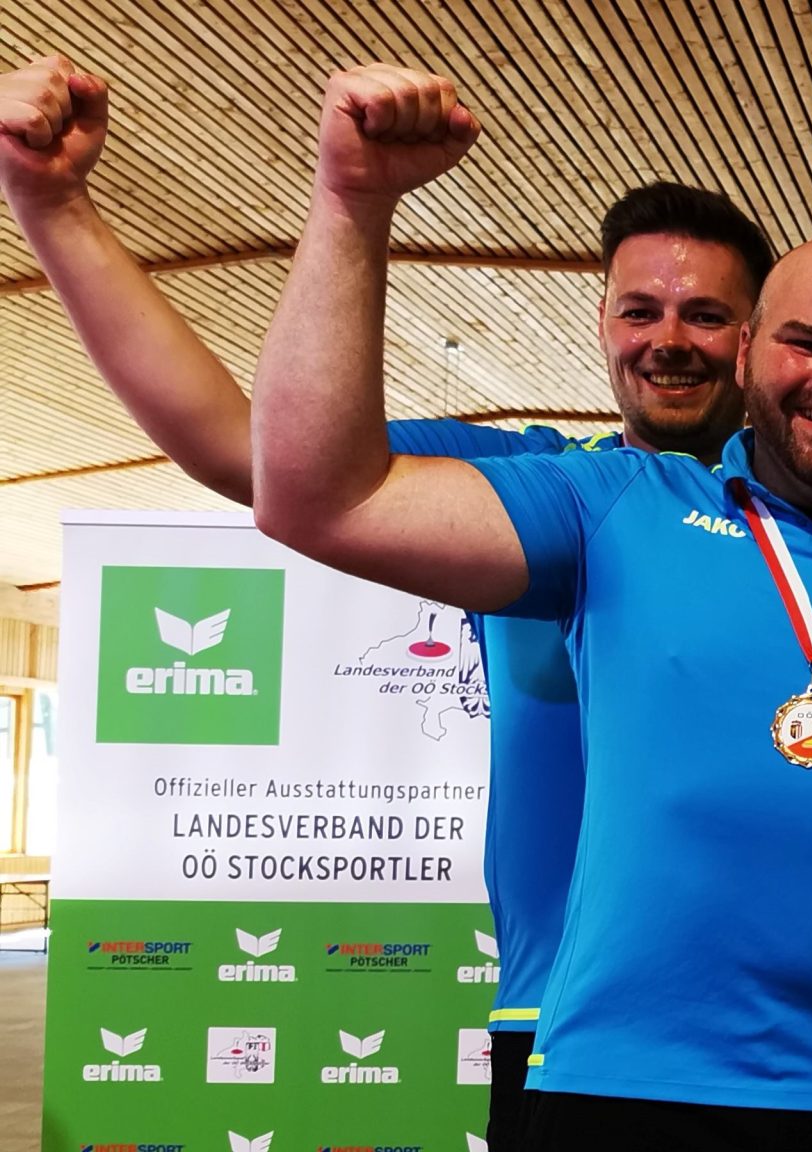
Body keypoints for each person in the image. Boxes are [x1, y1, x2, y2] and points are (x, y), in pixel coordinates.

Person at [245, 65, 812, 1149]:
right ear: (746, 352)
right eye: (805, 342)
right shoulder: (612, 505)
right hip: (620, 1092)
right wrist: (352, 203)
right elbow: (315, 496)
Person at [0, 55, 772, 1148]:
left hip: (795, 1043)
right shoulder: (534, 492)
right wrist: (54, 205)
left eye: (706, 314)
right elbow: (237, 450)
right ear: (602, 320)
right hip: (566, 1026)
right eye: (640, 309)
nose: (668, 339)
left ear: (758, 336)